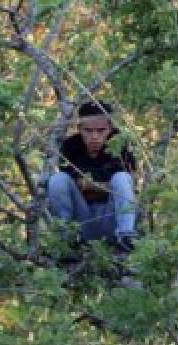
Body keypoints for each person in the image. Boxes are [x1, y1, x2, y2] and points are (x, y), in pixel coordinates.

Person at [47, 101, 138, 253]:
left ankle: (126, 238)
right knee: (57, 180)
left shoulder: (121, 144)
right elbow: (67, 188)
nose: (94, 137)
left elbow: (128, 186)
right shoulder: (71, 146)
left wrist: (87, 185)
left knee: (121, 178)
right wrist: (103, 186)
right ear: (79, 129)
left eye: (101, 130)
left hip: (111, 218)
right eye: (88, 131)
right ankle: (67, 238)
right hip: (83, 219)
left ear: (110, 128)